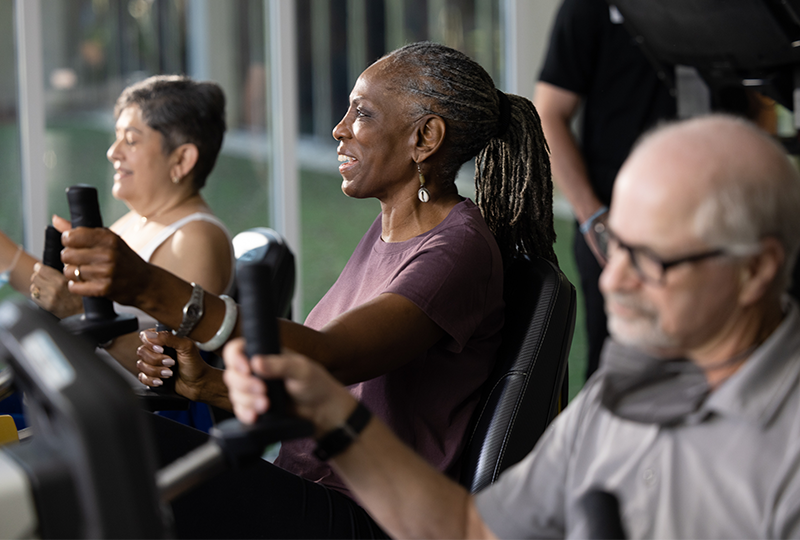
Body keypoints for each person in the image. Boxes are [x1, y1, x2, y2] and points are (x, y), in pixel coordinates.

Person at [61, 42, 557, 537]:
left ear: (424, 137)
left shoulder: (456, 252)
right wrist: (206, 385)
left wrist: (149, 287)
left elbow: (329, 358)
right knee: (102, 437)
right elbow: (328, 395)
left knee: (118, 443)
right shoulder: (391, 232)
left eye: (361, 114)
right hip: (306, 483)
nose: (339, 129)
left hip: (364, 517)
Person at [224, 115, 800, 539]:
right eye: (613, 245)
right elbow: (471, 531)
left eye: (650, 260)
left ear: (755, 271)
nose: (611, 281)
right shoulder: (624, 393)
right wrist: (327, 410)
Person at [0, 75, 233, 430]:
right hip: (71, 398)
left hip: (118, 426)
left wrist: (78, 310)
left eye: (131, 140)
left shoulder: (194, 237)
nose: (113, 152)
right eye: (117, 137)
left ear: (182, 159)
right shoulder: (134, 223)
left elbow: (172, 374)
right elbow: (67, 300)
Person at [533, 0, 676, 380]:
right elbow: (549, 112)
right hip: (615, 226)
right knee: (619, 374)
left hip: (700, 223)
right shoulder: (589, 7)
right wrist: (594, 218)